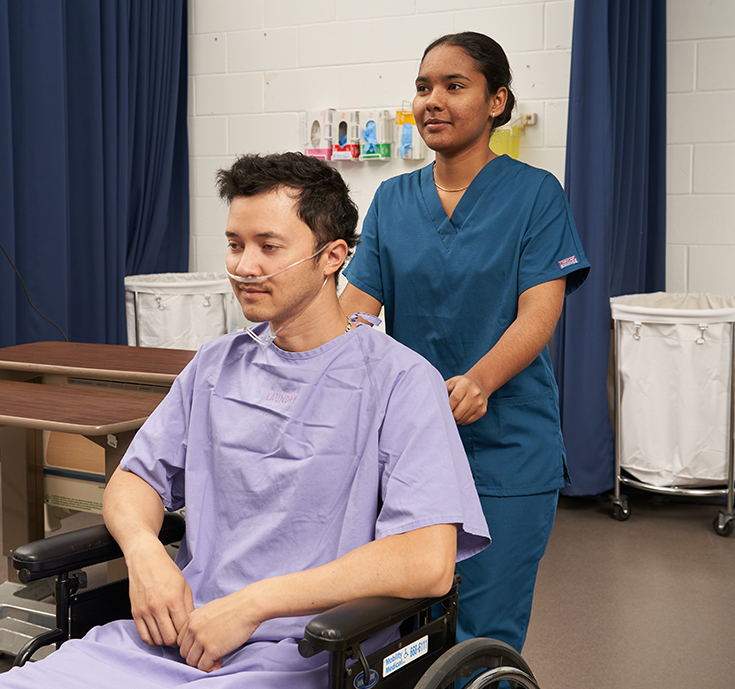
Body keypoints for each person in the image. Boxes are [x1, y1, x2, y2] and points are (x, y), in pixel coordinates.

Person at [1, 152, 489, 688]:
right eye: (235, 244)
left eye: (269, 247)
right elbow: (134, 479)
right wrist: (144, 553)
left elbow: (428, 561)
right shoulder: (215, 366)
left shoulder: (398, 380)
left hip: (312, 650)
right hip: (177, 638)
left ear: (332, 257)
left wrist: (254, 605)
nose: (244, 266)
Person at [340, 32, 590, 654]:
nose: (433, 100)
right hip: (410, 443)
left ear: (497, 102)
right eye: (424, 87)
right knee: (402, 622)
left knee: (481, 627)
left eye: (455, 86)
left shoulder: (536, 194)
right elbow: (355, 312)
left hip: (507, 446)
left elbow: (539, 311)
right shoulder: (394, 199)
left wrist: (480, 380)